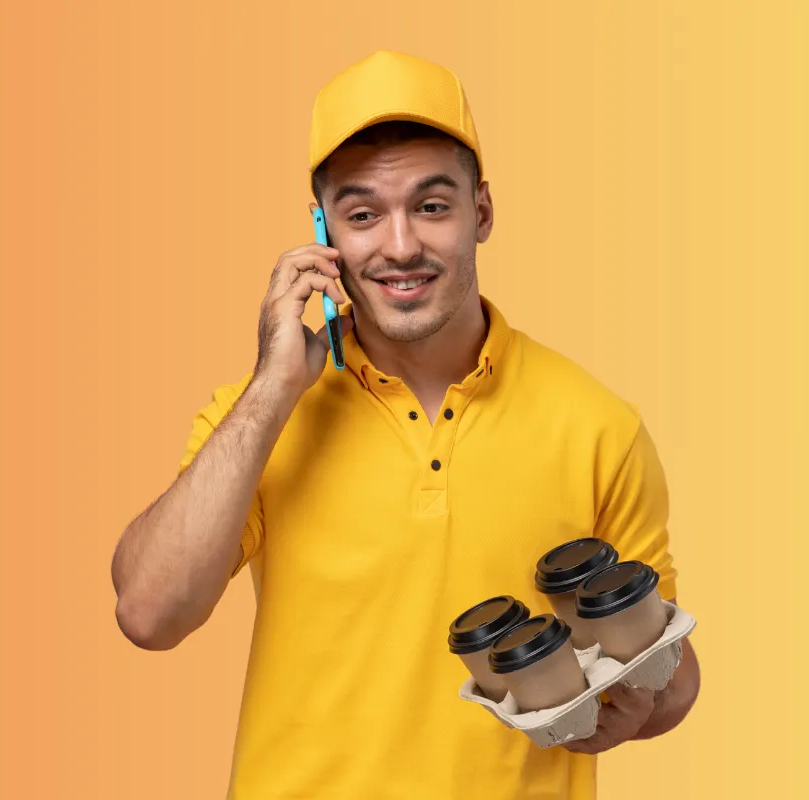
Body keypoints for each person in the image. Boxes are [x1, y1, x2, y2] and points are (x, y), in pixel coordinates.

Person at [111, 50, 700, 799]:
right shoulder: (259, 417)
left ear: (481, 211)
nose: (398, 246)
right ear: (322, 230)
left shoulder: (597, 424)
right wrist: (271, 390)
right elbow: (148, 612)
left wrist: (643, 704)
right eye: (362, 215)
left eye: (431, 205)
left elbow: (671, 672)